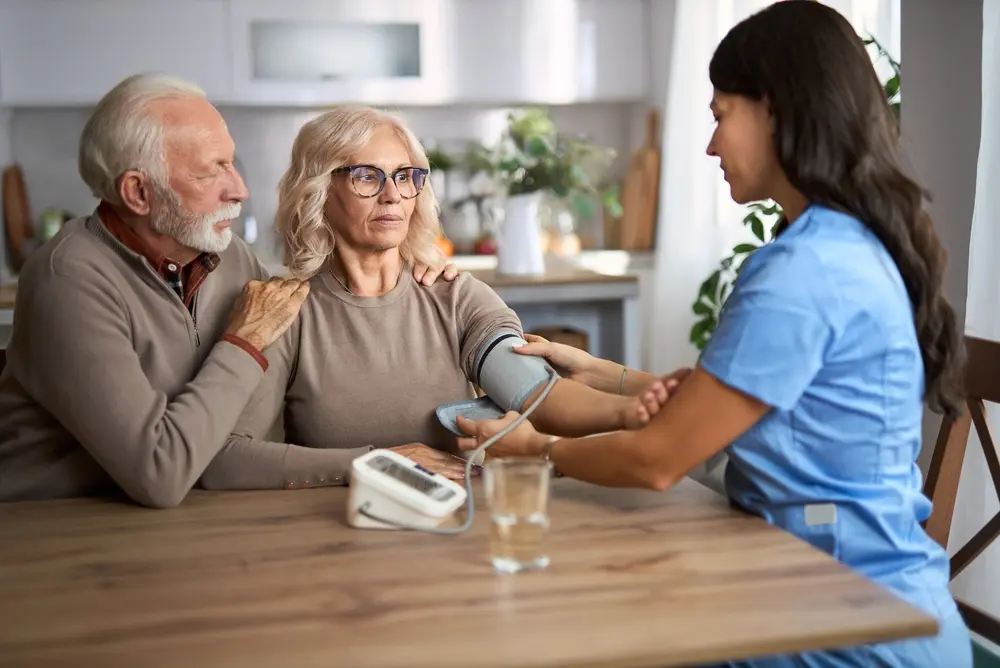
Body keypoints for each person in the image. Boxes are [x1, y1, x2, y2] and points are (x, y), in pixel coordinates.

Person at [457, 2, 974, 666]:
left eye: (720, 115)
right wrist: (607, 374)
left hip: (848, 625)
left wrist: (535, 450)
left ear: (777, 109)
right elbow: (762, 402)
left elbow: (657, 460)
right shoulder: (843, 244)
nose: (710, 144)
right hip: (855, 595)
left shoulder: (802, 268)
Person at [0, 73, 457, 508]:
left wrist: (414, 275)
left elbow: (313, 322)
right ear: (138, 192)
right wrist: (242, 343)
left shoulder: (228, 256)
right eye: (211, 172)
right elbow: (160, 472)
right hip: (56, 525)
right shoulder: (68, 280)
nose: (239, 189)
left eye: (231, 163)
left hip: (191, 519)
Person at [197, 105, 670, 490]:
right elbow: (226, 458)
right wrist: (375, 462)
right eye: (367, 176)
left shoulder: (456, 296)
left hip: (461, 531)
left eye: (405, 176)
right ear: (319, 190)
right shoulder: (286, 313)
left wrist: (633, 412)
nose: (392, 196)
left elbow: (538, 398)